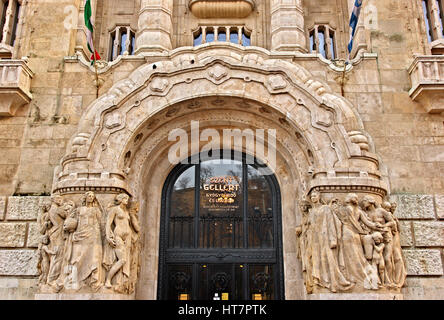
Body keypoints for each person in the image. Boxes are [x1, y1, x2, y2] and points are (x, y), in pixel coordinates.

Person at [69, 191, 103, 290]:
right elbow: (71, 220)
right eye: (89, 196)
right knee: (78, 257)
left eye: (93, 196)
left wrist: (97, 236)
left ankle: (92, 280)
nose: (91, 197)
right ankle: (75, 280)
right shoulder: (79, 210)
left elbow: (99, 223)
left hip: (92, 235)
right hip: (80, 235)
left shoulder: (95, 210)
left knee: (93, 258)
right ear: (85, 197)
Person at [103, 193, 133, 291]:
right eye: (125, 198)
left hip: (127, 237)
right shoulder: (115, 209)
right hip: (118, 236)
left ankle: (121, 282)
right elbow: (108, 223)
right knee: (122, 260)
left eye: (127, 198)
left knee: (126, 260)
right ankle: (108, 280)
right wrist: (108, 236)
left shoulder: (126, 211)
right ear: (120, 199)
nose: (126, 200)